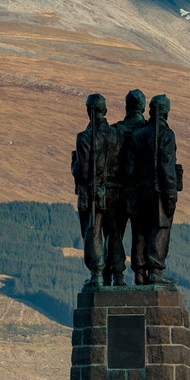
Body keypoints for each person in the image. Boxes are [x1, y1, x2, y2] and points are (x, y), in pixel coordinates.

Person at [124, 93, 182, 285]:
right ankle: (155, 272)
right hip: (158, 192)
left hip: (138, 192)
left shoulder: (137, 134)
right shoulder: (166, 134)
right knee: (160, 229)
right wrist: (171, 195)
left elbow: (130, 168)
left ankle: (140, 274)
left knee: (139, 232)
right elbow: (167, 167)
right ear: (166, 112)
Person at [71, 93, 119, 288]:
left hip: (92, 193)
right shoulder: (117, 134)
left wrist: (73, 163)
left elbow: (81, 171)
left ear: (88, 111)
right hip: (115, 192)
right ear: (105, 111)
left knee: (94, 231)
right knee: (114, 233)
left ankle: (98, 274)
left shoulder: (84, 138)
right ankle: (117, 275)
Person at [104, 90, 147, 286]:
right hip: (140, 192)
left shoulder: (114, 131)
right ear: (144, 108)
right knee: (141, 233)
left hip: (116, 191)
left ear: (127, 107)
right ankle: (141, 274)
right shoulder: (149, 131)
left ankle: (118, 276)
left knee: (114, 234)